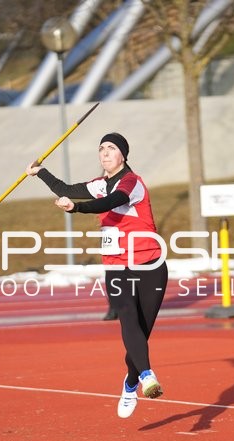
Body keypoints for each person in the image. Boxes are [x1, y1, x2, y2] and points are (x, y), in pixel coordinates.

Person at [26, 132, 167, 419]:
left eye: (112, 148)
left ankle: (130, 383)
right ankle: (148, 376)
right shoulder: (98, 184)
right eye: (101, 148)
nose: (105, 153)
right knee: (127, 317)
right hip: (117, 266)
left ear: (123, 155)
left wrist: (76, 207)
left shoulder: (131, 183)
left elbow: (111, 201)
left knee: (142, 331)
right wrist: (40, 172)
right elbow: (65, 187)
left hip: (149, 264)